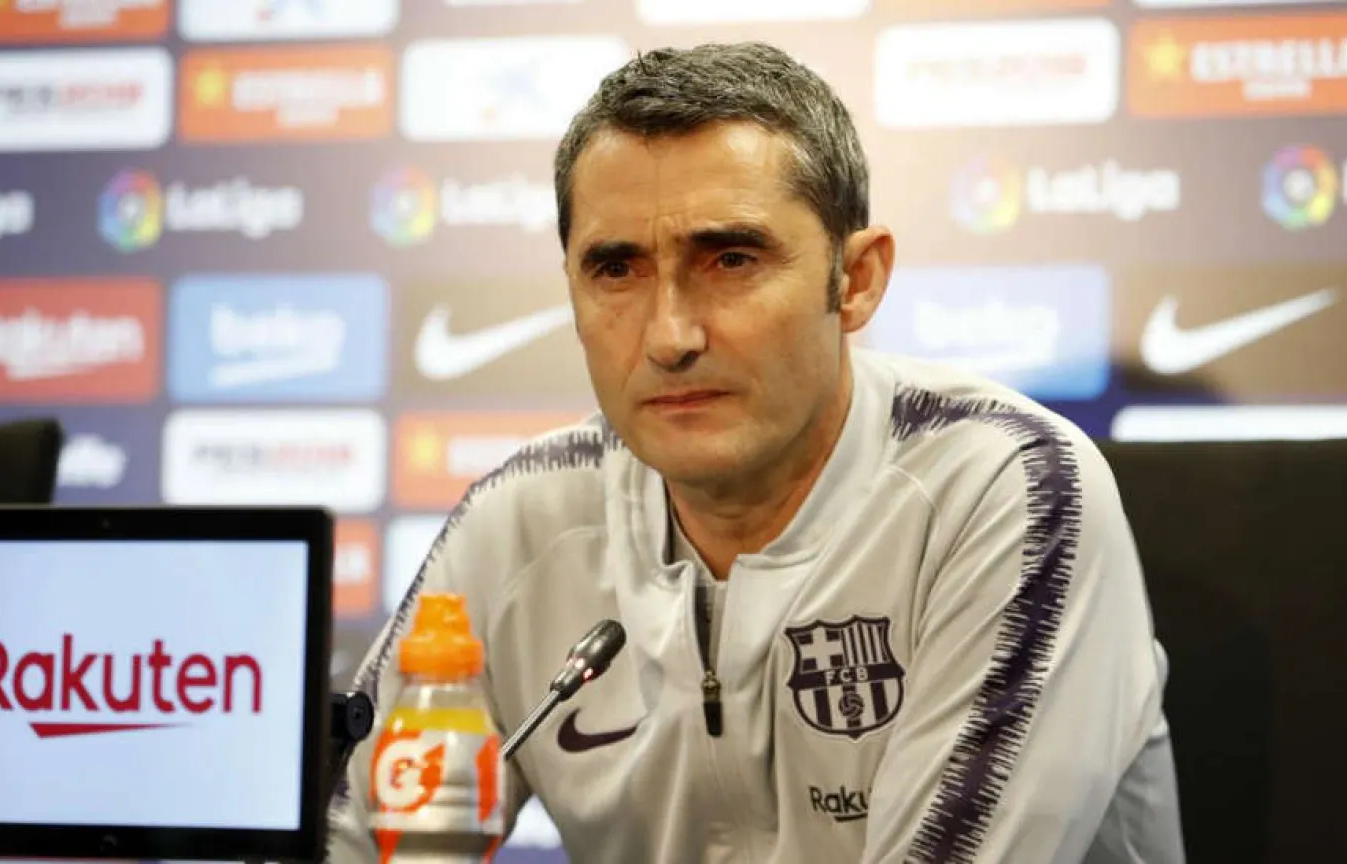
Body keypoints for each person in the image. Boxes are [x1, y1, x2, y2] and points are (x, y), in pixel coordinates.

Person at [329, 42, 1185, 864]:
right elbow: (339, 840)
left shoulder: (1003, 489)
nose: (669, 337)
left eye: (730, 259)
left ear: (856, 280)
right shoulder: (522, 521)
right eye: (617, 270)